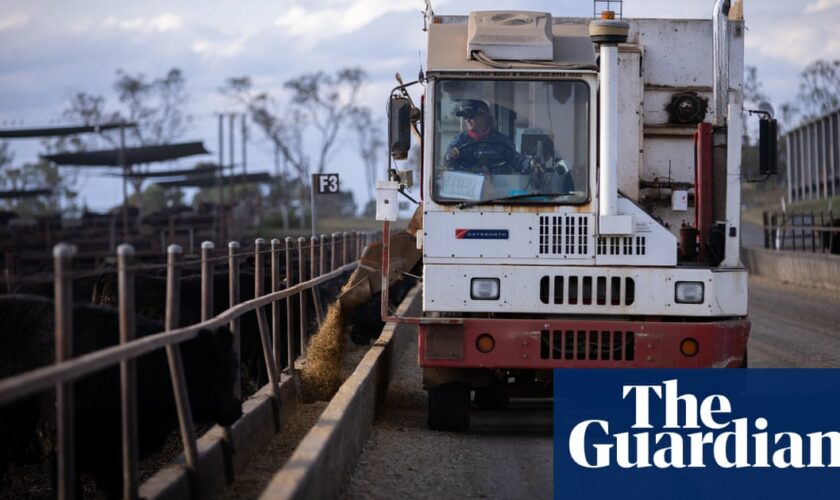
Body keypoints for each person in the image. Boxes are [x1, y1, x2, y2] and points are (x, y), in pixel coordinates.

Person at [443, 99, 530, 174]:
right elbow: (447, 163)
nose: (467, 120)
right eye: (465, 117)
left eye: (471, 115)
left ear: (484, 116)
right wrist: (450, 156)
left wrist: (531, 164)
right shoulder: (459, 141)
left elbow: (517, 160)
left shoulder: (501, 141)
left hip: (500, 190)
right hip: (468, 189)